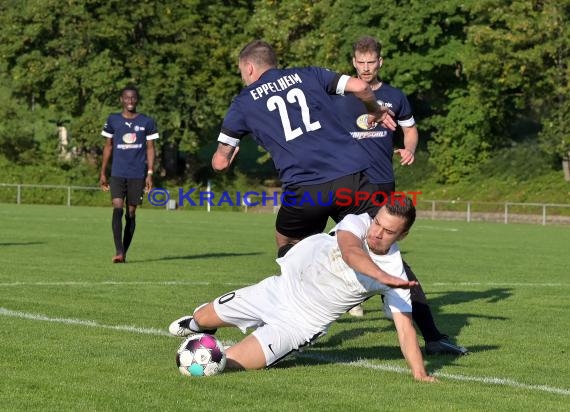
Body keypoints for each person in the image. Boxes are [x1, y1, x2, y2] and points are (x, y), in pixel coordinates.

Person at [169, 197, 436, 382]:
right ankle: (199, 324)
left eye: (388, 231)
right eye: (377, 222)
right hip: (279, 290)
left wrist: (419, 373)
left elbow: (405, 330)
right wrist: (381, 275)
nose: (376, 232)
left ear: (402, 236)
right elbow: (351, 252)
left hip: (301, 324)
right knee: (203, 316)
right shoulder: (357, 223)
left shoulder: (395, 273)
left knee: (225, 364)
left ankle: (216, 347)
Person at [333, 36, 468, 356]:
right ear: (353, 62)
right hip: (342, 186)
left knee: (379, 249)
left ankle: (381, 300)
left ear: (380, 62)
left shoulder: (395, 96)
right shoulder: (338, 97)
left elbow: (410, 129)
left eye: (371, 63)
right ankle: (421, 326)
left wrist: (409, 148)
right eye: (360, 62)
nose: (365, 68)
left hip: (380, 185)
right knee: (343, 246)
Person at [211, 39, 395, 254]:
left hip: (306, 188)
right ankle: (406, 287)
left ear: (249, 68)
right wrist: (374, 109)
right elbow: (361, 86)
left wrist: (226, 159)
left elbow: (220, 163)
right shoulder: (309, 74)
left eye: (241, 71)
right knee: (375, 237)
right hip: (351, 176)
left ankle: (299, 284)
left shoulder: (242, 103)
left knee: (287, 240)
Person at [99, 85, 159, 263]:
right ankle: (119, 251)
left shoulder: (146, 122)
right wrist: (103, 172)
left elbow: (150, 148)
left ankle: (124, 251)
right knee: (117, 207)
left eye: (133, 98)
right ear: (121, 100)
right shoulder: (113, 120)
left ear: (137, 100)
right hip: (118, 173)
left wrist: (149, 173)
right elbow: (108, 146)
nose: (130, 101)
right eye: (127, 98)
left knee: (130, 213)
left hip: (137, 174)